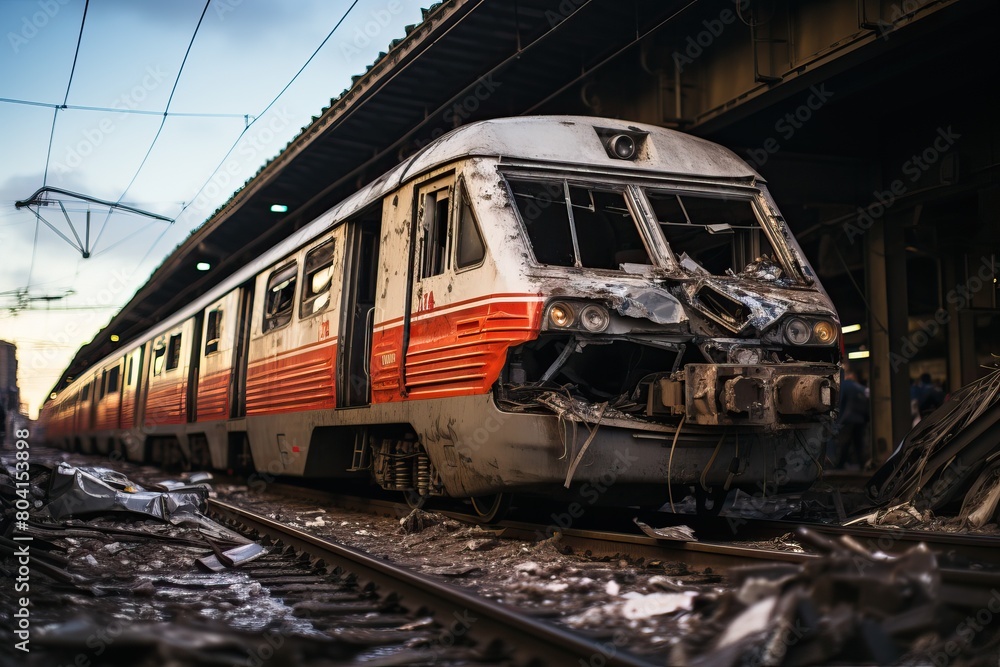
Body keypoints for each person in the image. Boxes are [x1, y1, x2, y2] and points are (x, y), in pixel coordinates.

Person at [836, 366, 870, 469]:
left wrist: (838, 420)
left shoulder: (845, 385)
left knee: (844, 443)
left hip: (847, 419)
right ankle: (862, 464)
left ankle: (840, 465)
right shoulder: (861, 388)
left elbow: (840, 402)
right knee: (858, 443)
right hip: (860, 420)